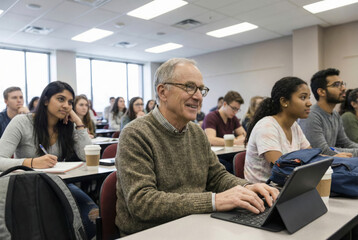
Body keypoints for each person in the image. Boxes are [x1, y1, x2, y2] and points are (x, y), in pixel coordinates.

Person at [115, 58, 279, 236]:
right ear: (163, 92)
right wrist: (214, 201)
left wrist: (247, 188)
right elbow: (142, 203)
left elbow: (217, 176)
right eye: (189, 87)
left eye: (201, 89)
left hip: (195, 223)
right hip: (151, 232)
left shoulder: (196, 132)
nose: (199, 96)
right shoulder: (135, 133)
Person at [0, 81, 97, 239]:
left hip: (60, 183)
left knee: (93, 216)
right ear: (45, 101)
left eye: (70, 102)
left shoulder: (67, 126)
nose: (66, 105)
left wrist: (78, 122)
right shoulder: (22, 122)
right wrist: (30, 163)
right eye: (60, 99)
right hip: (28, 187)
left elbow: (87, 155)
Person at [244, 77, 312, 183]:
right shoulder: (266, 126)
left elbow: (311, 155)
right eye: (303, 98)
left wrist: (335, 158)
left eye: (309, 97)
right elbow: (282, 170)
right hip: (263, 193)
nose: (309, 103)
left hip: (286, 187)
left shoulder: (294, 126)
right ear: (284, 101)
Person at [299, 68, 358, 156]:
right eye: (336, 85)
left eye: (342, 84)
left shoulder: (335, 115)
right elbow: (321, 151)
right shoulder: (311, 115)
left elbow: (345, 143)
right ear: (321, 92)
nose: (343, 88)